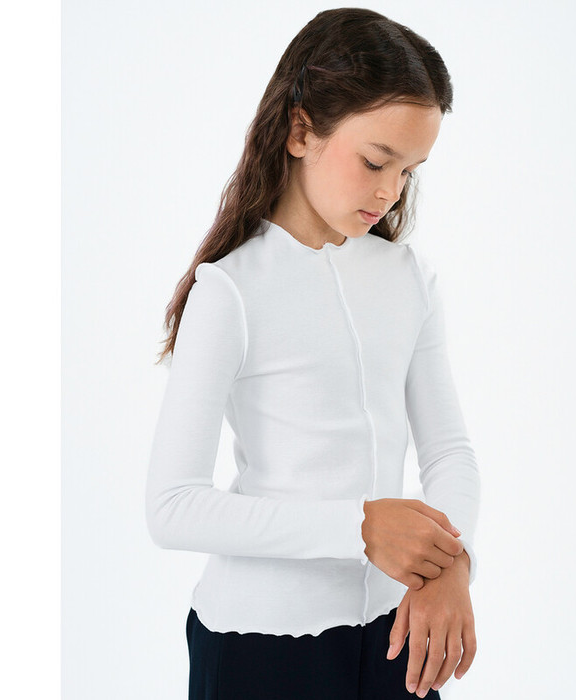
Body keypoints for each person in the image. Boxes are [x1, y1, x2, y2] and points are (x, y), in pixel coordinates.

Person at [145, 7, 481, 699]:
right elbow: (172, 506)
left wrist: (452, 565)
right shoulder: (230, 290)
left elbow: (448, 450)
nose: (390, 191)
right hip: (259, 646)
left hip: (396, 637)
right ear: (301, 131)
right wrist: (360, 527)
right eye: (375, 161)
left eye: (409, 170)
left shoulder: (407, 277)